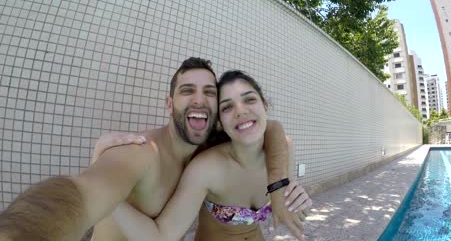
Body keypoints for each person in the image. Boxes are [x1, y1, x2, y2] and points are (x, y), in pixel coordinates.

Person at [0, 58, 308, 241]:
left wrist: (280, 188)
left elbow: (271, 128)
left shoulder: (237, 142)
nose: (199, 100)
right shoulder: (142, 151)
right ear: (169, 104)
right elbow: (83, 194)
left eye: (210, 94)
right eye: (188, 91)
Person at [97, 70, 311, 240]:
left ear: (265, 106)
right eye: (227, 107)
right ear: (220, 121)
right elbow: (162, 236)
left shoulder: (284, 149)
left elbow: (274, 133)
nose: (240, 111)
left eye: (250, 100)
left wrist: (294, 200)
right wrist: (107, 196)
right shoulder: (207, 168)